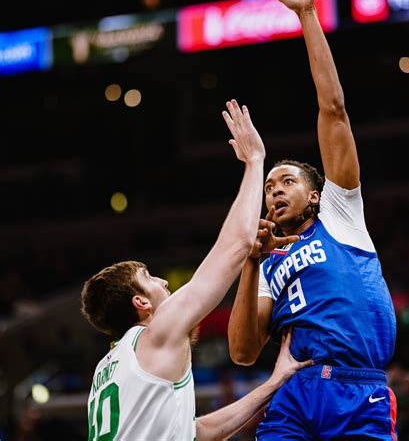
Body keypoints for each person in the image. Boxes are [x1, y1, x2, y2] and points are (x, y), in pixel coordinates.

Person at [227, 0, 398, 440]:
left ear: (318, 194)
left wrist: (306, 15)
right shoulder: (269, 260)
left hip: (356, 389)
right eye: (268, 187)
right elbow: (242, 352)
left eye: (286, 182)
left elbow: (334, 110)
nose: (274, 192)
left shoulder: (342, 214)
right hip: (293, 394)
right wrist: (249, 261)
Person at [81, 99, 312, 441]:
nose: (162, 281)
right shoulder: (155, 333)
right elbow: (233, 248)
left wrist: (274, 383)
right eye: (149, 279)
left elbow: (198, 431)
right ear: (141, 304)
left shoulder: (108, 368)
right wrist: (254, 162)